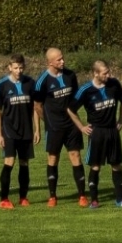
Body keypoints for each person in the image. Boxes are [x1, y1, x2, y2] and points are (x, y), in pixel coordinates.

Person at [69, 60, 122, 208]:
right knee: (95, 166)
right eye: (105, 73)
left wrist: (121, 120)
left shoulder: (114, 84)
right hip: (97, 132)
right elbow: (70, 109)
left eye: (108, 72)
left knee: (116, 165)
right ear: (95, 73)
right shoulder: (85, 90)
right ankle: (94, 200)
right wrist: (81, 127)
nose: (108, 75)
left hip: (112, 131)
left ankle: (120, 200)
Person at [34, 48, 86, 206]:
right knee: (53, 158)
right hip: (54, 127)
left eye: (63, 58)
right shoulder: (42, 81)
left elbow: (77, 99)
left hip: (71, 125)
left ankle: (82, 196)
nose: (62, 61)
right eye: (58, 60)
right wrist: (48, 123)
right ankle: (52, 196)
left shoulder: (70, 75)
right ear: (49, 62)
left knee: (75, 156)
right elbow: (37, 105)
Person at [0, 54, 37, 209]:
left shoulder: (30, 83)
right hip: (9, 131)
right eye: (16, 67)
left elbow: (35, 108)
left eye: (21, 67)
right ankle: (4, 199)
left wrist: (36, 129)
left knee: (24, 163)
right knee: (9, 162)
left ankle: (23, 197)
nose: (19, 70)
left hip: (26, 131)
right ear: (9, 67)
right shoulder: (2, 85)